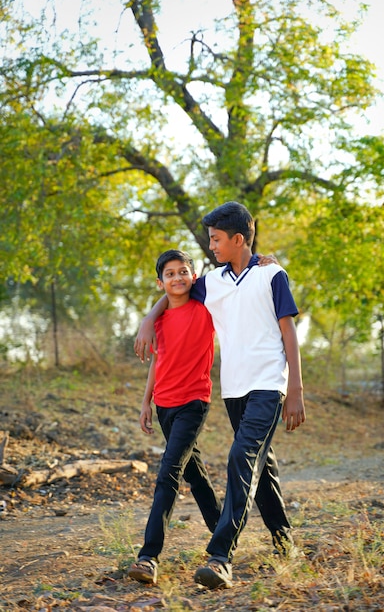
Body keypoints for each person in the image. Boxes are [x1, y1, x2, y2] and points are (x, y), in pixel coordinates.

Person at [134, 202, 306, 590]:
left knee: (240, 457)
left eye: (215, 239)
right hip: (234, 389)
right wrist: (148, 318)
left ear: (238, 239)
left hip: (269, 384)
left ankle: (221, 555)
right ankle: (284, 542)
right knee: (262, 469)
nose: (210, 246)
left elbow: (289, 332)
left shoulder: (272, 275)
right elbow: (175, 288)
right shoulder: (213, 282)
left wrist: (295, 388)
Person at [128, 249, 222, 586]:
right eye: (170, 274)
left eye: (184, 272)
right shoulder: (159, 320)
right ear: (160, 281)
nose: (177, 278)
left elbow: (236, 277)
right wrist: (145, 403)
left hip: (194, 401)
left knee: (168, 473)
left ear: (193, 276)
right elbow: (157, 361)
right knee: (194, 475)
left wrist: (262, 260)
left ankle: (148, 556)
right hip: (164, 404)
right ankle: (224, 534)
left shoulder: (206, 308)